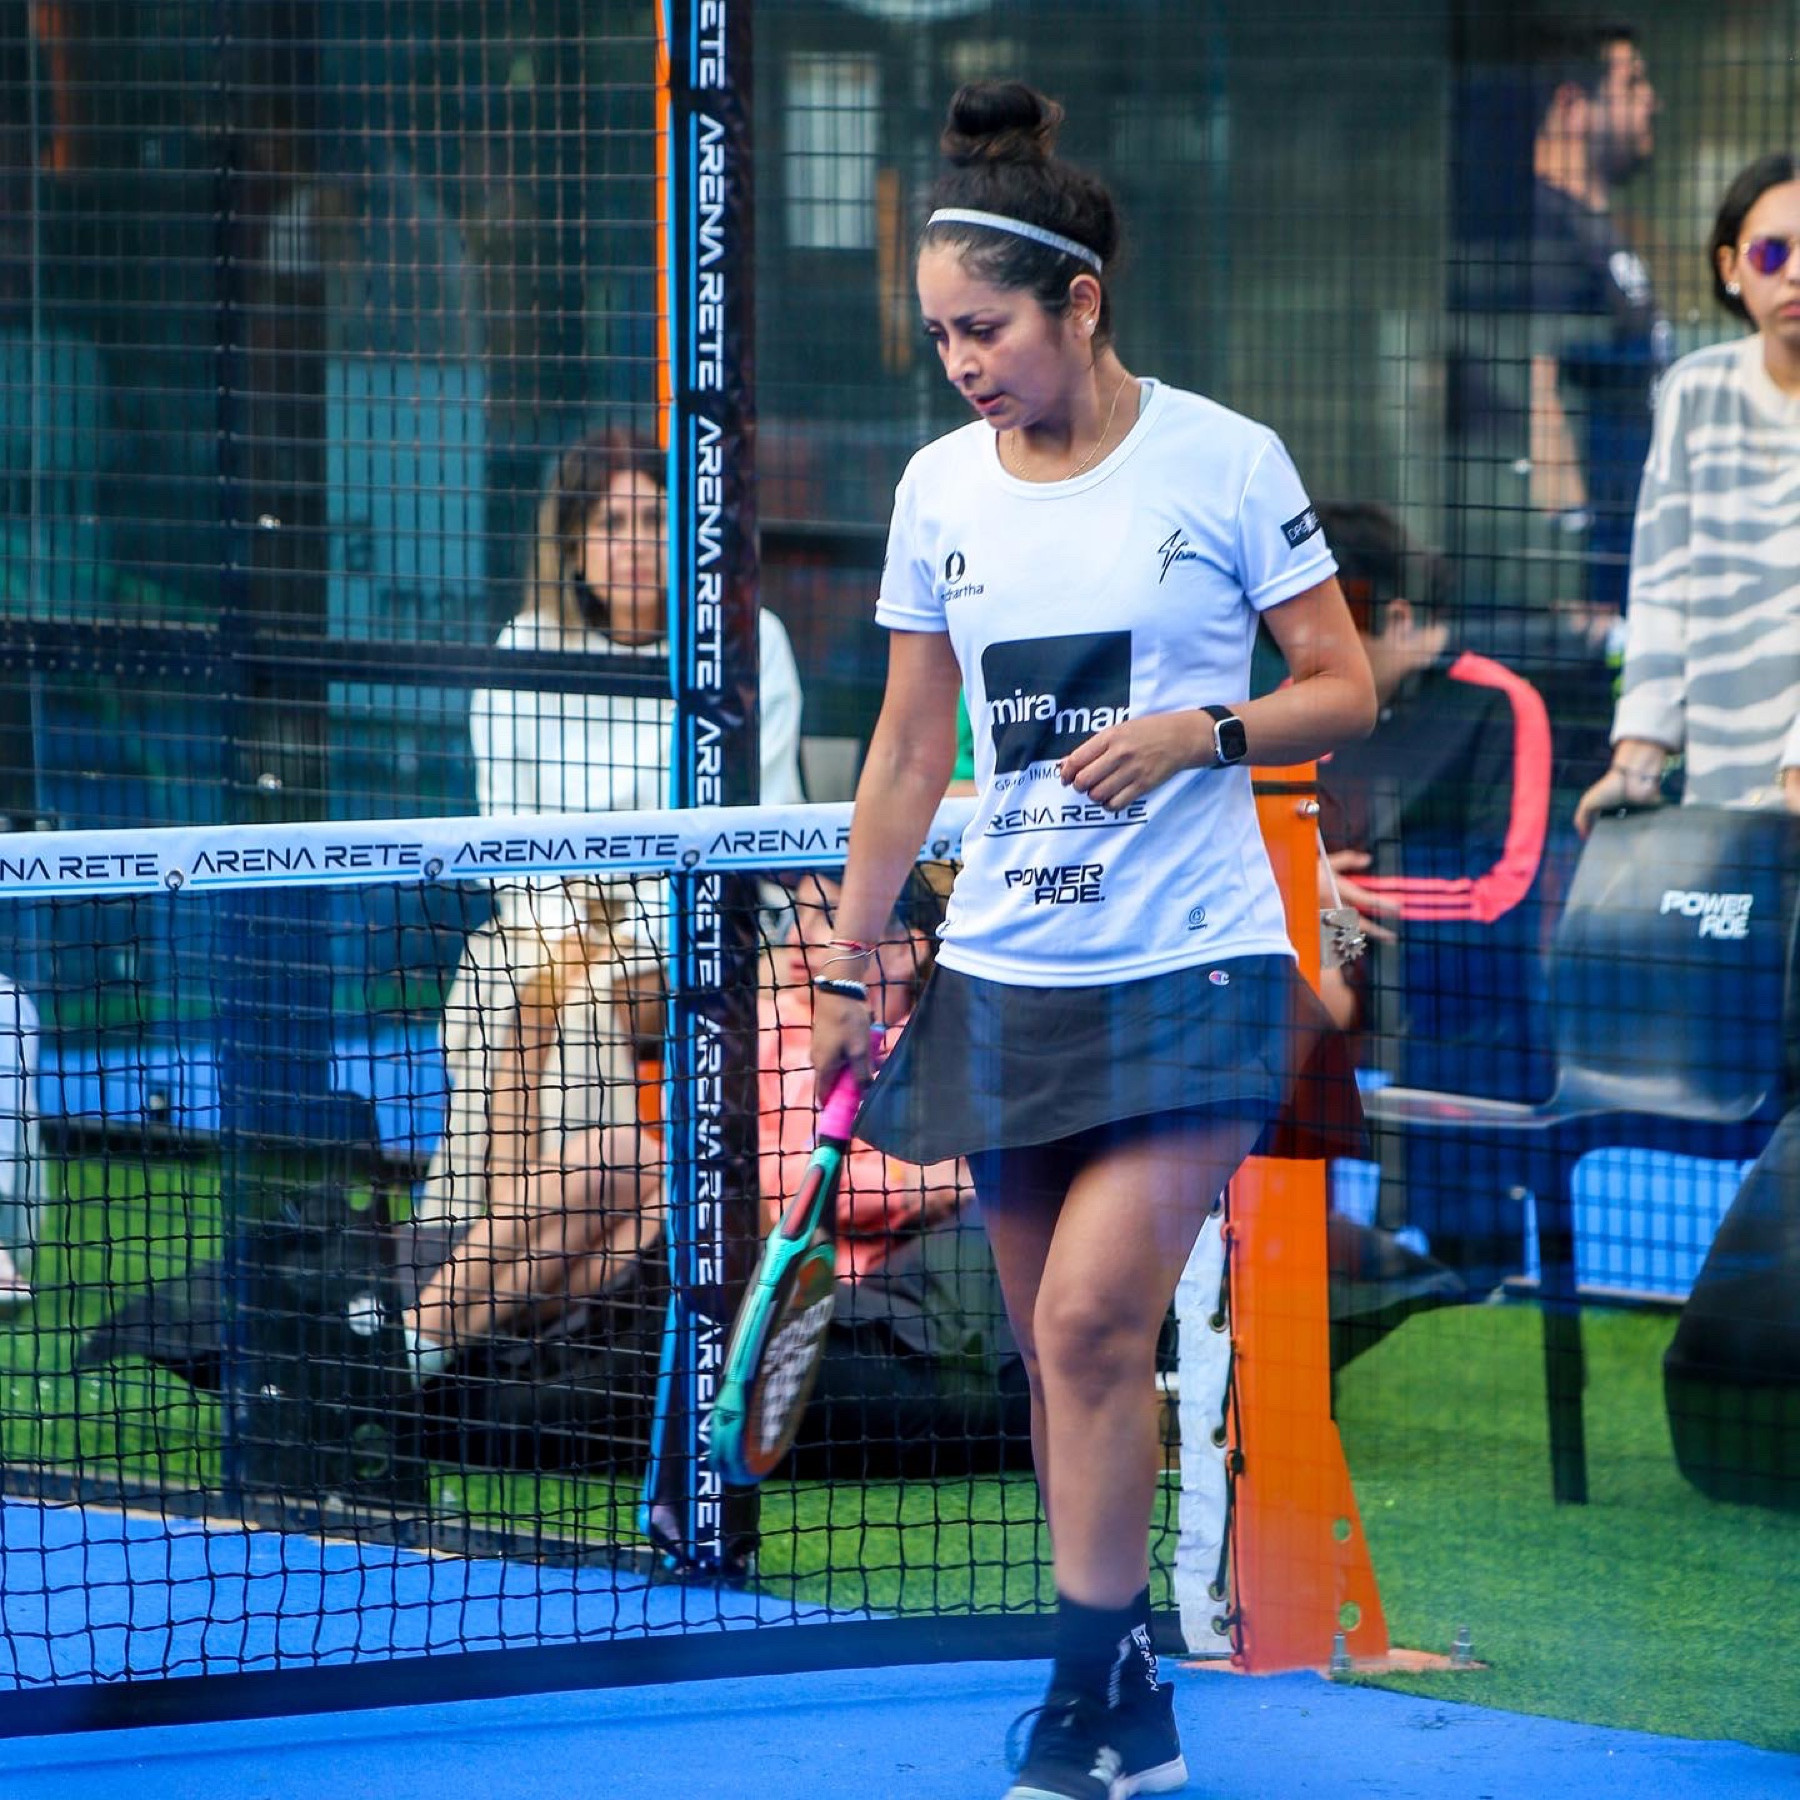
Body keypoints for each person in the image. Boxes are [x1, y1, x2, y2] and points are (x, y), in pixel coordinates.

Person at [809, 80, 1375, 1800]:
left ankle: (1078, 1703)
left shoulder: (1226, 461)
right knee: (1059, 1359)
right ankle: (1127, 1693)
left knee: (1086, 1323)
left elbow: (1341, 686)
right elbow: (909, 752)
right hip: (1007, 983)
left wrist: (1207, 731)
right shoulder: (936, 490)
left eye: (984, 329)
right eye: (938, 336)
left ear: (1080, 302)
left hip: (1195, 972)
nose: (960, 363)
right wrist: (848, 962)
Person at [418, 427, 806, 1236]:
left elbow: (761, 838)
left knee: (584, 1007)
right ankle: (471, 1238)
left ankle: (553, 1252)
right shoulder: (524, 648)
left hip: (707, 925)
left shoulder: (749, 641)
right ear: (572, 544)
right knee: (492, 985)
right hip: (549, 921)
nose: (634, 545)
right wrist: (570, 936)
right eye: (610, 523)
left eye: (654, 520)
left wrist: (619, 938)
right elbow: (506, 841)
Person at [1448, 21, 1664, 801]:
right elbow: (1532, 389)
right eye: (1633, 84)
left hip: (1621, 586)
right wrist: (1568, 570)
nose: (1653, 103)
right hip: (1576, 613)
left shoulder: (1599, 233)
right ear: (1573, 105)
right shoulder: (1541, 229)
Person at [1575, 152, 1800, 836]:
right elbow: (1660, 585)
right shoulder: (1694, 392)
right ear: (1730, 266)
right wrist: (1637, 759)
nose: (1794, 272)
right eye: (1771, 252)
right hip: (1723, 795)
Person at [1313, 501, 1553, 1100]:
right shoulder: (1303, 704)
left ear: (1398, 619)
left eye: (1327, 641)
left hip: (1468, 1032)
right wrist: (1312, 896)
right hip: (1332, 996)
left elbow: (1499, 894)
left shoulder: (1500, 702)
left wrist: (1328, 897)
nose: (1306, 660)